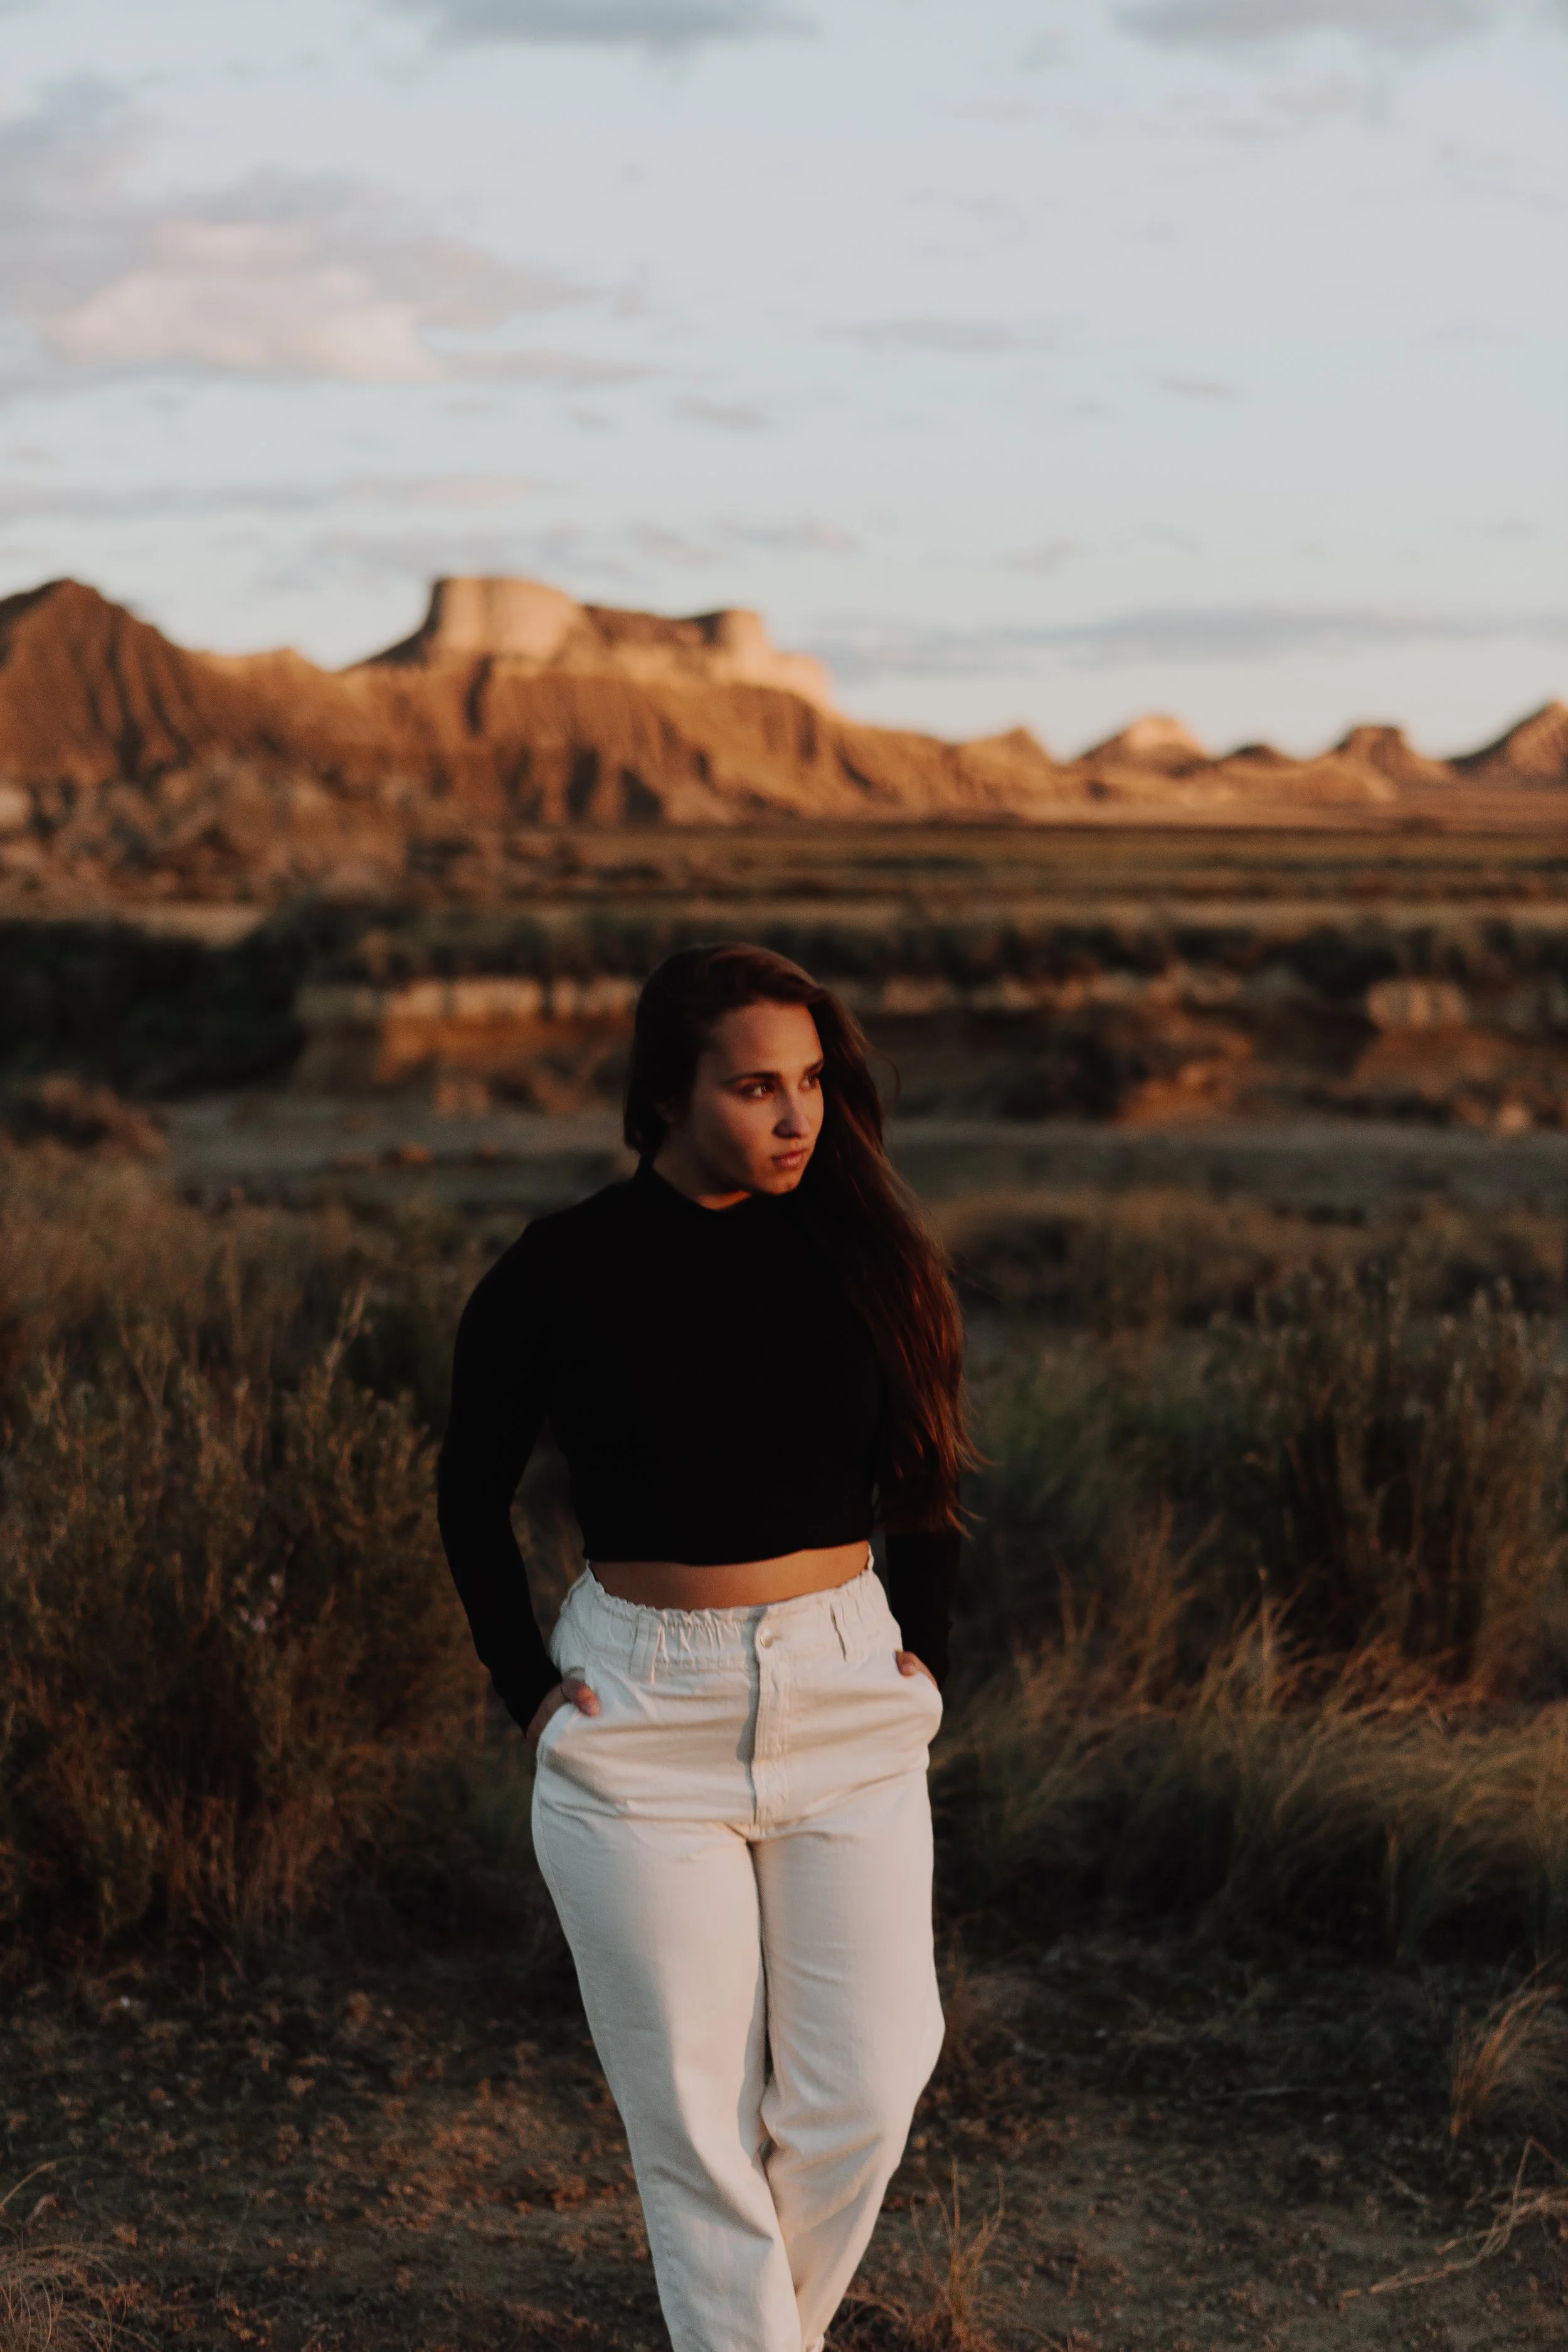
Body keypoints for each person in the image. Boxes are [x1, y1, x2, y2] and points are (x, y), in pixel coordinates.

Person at [437, 941, 967, 2352]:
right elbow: (465, 1490)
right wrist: (527, 1697)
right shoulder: (559, 1270)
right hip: (639, 1712)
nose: (795, 1117)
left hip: (847, 1692)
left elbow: (927, 1475)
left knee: (867, 2079)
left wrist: (925, 1654)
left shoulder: (869, 1257)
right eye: (753, 1087)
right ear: (663, 1098)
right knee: (694, 2120)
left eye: (808, 1084)